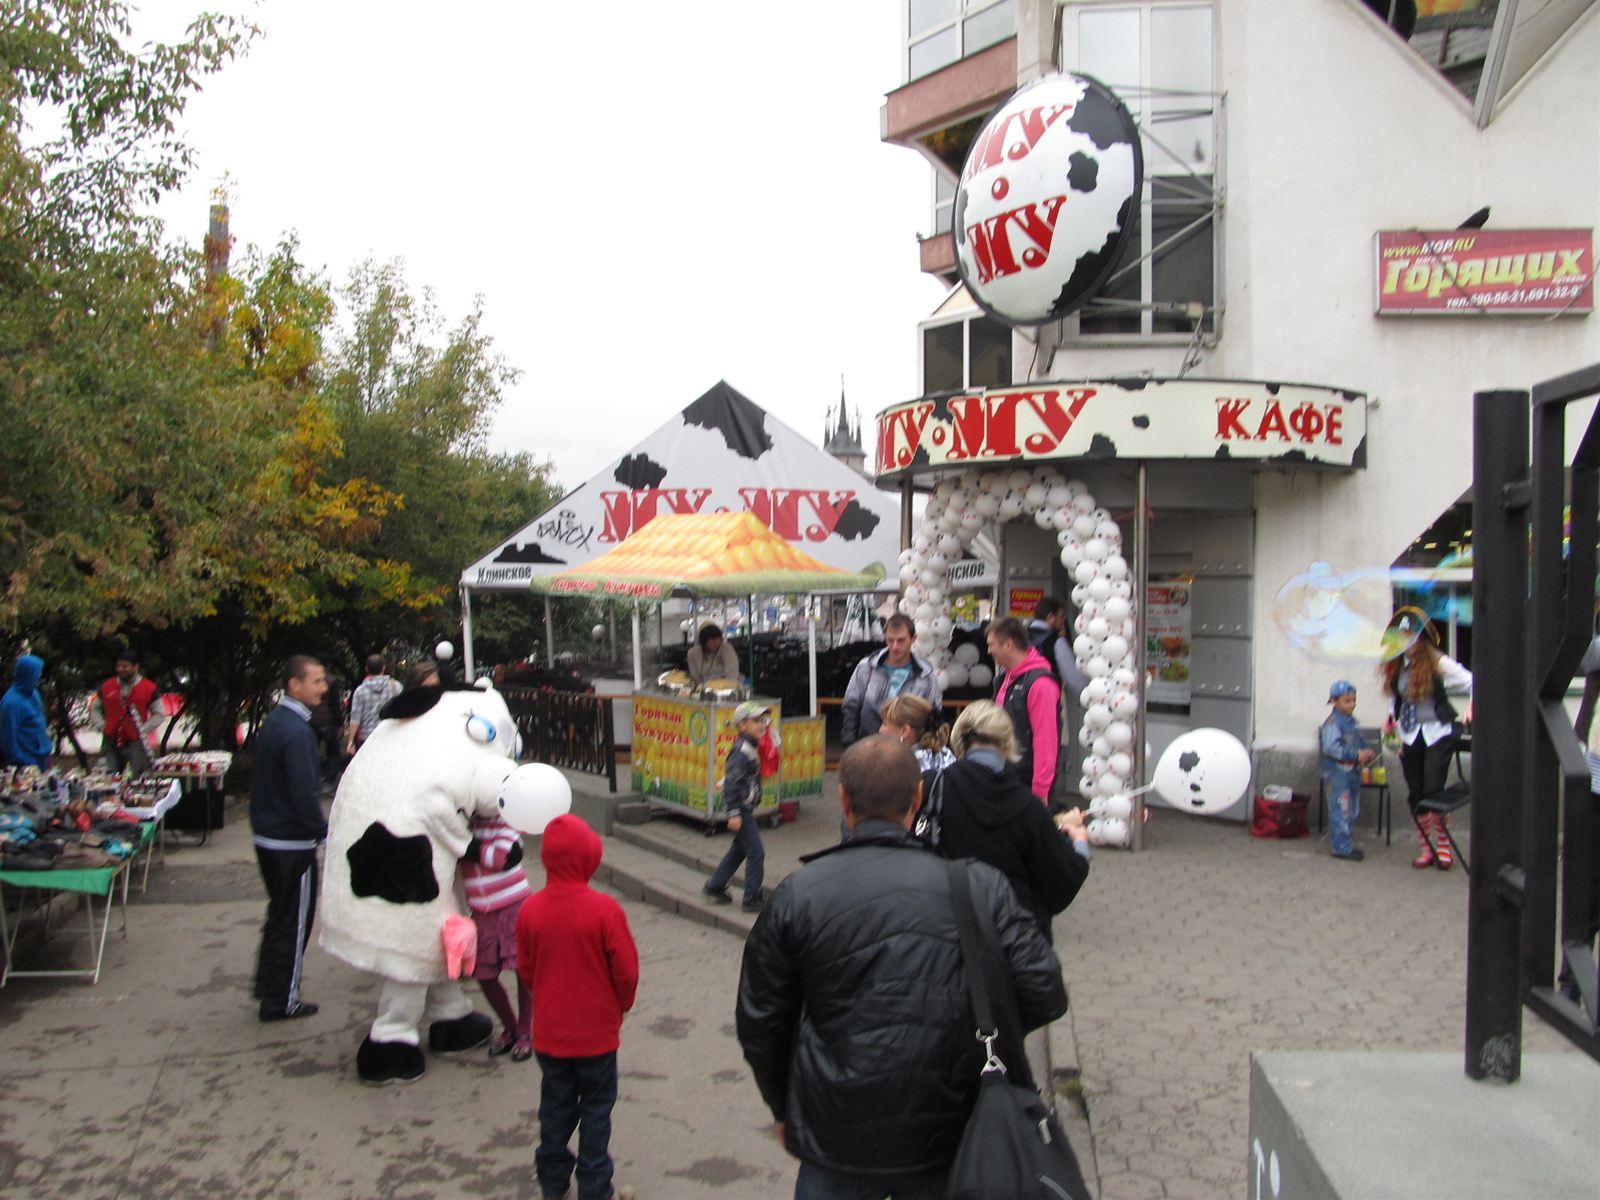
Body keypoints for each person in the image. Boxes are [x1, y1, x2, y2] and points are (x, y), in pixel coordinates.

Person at [737, 735, 1068, 1198]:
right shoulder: (979, 885)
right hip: (950, 1127)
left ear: (843, 799)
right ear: (917, 798)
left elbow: (760, 1019)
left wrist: (782, 1106)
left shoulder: (798, 894)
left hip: (836, 1131)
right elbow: (1045, 990)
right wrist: (977, 1027)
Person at [932, 699, 1090, 1107]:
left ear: (960, 740)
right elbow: (1060, 882)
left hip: (944, 934)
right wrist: (1078, 843)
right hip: (1010, 948)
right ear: (1007, 744)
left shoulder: (934, 788)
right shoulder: (1027, 808)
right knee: (1006, 1037)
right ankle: (1007, 1107)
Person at [516, 814, 639, 1200]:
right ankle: (594, 1185)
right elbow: (626, 971)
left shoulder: (530, 909)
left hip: (550, 1034)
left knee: (555, 1106)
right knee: (596, 1109)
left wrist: (545, 996)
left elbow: (526, 969)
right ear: (588, 858)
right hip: (597, 1036)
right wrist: (620, 1006)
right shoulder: (605, 910)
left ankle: (553, 1181)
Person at [250, 655, 328, 1022]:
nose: (323, 688)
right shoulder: (297, 731)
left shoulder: (277, 721)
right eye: (317, 681)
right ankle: (283, 999)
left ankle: (269, 986)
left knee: (279, 915)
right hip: (291, 844)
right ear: (294, 685)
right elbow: (304, 793)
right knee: (294, 923)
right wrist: (321, 831)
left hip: (269, 837)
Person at [1380, 612, 1473, 870]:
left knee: (1433, 788)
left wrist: (1471, 708)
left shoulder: (1436, 660)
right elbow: (1394, 700)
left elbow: (1472, 682)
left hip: (1437, 733)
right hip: (1409, 734)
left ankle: (1443, 845)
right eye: (1401, 638)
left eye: (1411, 637)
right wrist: (1391, 725)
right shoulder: (1396, 666)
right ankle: (1426, 848)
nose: (1407, 643)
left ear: (1421, 639)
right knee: (1416, 793)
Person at [460, 810, 533, 1061]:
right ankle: (510, 1027)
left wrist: (467, 846)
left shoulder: (505, 819)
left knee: (523, 970)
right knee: (484, 974)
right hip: (481, 911)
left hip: (513, 905)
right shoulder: (461, 822)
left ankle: (525, 1031)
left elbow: (502, 858)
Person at [702, 701, 770, 912]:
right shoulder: (741, 751)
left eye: (763, 720)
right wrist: (733, 813)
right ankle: (751, 898)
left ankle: (715, 885)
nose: (762, 725)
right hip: (740, 808)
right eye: (756, 721)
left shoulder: (750, 746)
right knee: (756, 852)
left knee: (740, 849)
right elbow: (732, 782)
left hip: (744, 807)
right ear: (742, 725)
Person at [987, 616, 1063, 805]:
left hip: (1025, 783)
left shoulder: (1040, 684)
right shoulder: (1005, 678)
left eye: (991, 645)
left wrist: (1040, 791)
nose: (988, 651)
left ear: (1008, 646)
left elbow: (1045, 740)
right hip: (1005, 777)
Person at [839, 613, 942, 747]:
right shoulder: (866, 667)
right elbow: (851, 706)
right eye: (890, 640)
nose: (895, 646)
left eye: (901, 640)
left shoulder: (926, 673)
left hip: (909, 749)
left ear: (913, 639)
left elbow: (933, 712)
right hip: (868, 745)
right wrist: (849, 743)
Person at [1565, 629, 1600, 1003]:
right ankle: (1573, 978)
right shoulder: (1599, 650)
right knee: (1588, 888)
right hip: (1595, 788)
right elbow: (1583, 647)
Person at [1320, 680, 1377, 862]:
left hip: (1351, 771)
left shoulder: (1351, 722)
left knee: (1351, 809)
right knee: (1340, 809)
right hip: (1336, 774)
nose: (1352, 704)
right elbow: (1330, 748)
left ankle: (1346, 844)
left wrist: (1366, 751)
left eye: (1354, 700)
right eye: (1347, 701)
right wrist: (1356, 755)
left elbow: (1357, 741)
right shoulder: (1333, 723)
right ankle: (1341, 847)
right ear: (1334, 701)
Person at [86, 650, 162, 776]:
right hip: (110, 742)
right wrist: (102, 725)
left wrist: (143, 729)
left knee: (136, 777)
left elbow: (159, 714)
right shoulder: (107, 686)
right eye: (118, 666)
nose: (120, 669)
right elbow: (95, 709)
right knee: (109, 777)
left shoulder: (149, 687)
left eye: (125, 666)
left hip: (135, 742)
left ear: (135, 667)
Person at [879, 693, 955, 773]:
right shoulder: (946, 754)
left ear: (905, 731)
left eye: (885, 724)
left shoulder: (901, 766)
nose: (880, 730)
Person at [0, 653, 52, 769]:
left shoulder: (34, 693)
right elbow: (8, 740)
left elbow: (39, 723)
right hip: (26, 764)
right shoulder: (11, 703)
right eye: (37, 673)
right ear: (28, 674)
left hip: (42, 758)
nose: (39, 676)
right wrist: (24, 762)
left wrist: (47, 749)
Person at [1029, 597, 1088, 697]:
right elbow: (1074, 679)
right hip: (1046, 698)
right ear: (1050, 617)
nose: (1063, 621)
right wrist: (1091, 695)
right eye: (1061, 616)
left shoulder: (1019, 638)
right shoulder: (1057, 642)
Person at [345, 654, 401, 755]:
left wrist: (350, 741)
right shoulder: (396, 686)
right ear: (383, 668)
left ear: (366, 669)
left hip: (367, 738)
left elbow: (355, 718)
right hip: (390, 735)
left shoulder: (360, 691)